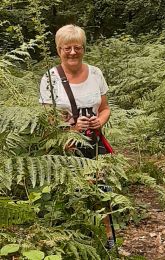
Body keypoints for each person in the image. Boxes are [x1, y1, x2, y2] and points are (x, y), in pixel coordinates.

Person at [39, 24, 115, 248]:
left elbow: (105, 107)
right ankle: (76, 238)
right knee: (72, 190)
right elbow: (48, 120)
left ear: (83, 48)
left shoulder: (95, 73)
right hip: (64, 145)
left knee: (101, 186)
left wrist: (99, 120)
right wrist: (72, 129)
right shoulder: (49, 78)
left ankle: (107, 235)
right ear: (58, 49)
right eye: (67, 48)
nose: (72, 52)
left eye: (77, 47)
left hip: (94, 141)